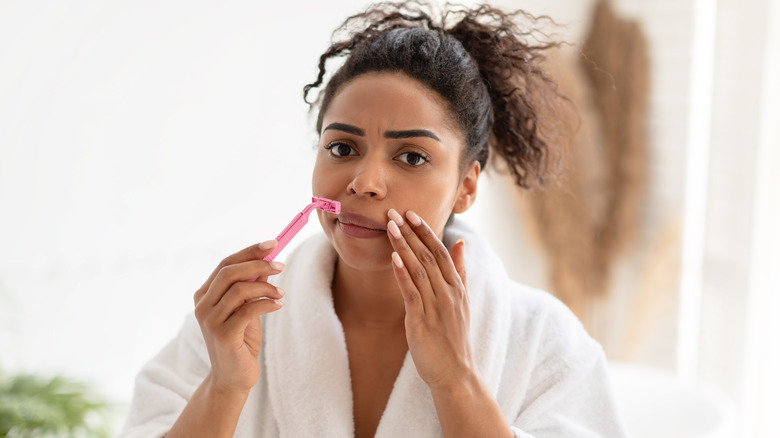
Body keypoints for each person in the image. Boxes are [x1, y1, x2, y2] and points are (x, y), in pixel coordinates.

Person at [120, 2, 627, 437]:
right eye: (342, 147)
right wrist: (224, 387)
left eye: (411, 157)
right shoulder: (235, 327)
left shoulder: (544, 341)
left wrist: (456, 382)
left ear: (466, 186)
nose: (364, 181)